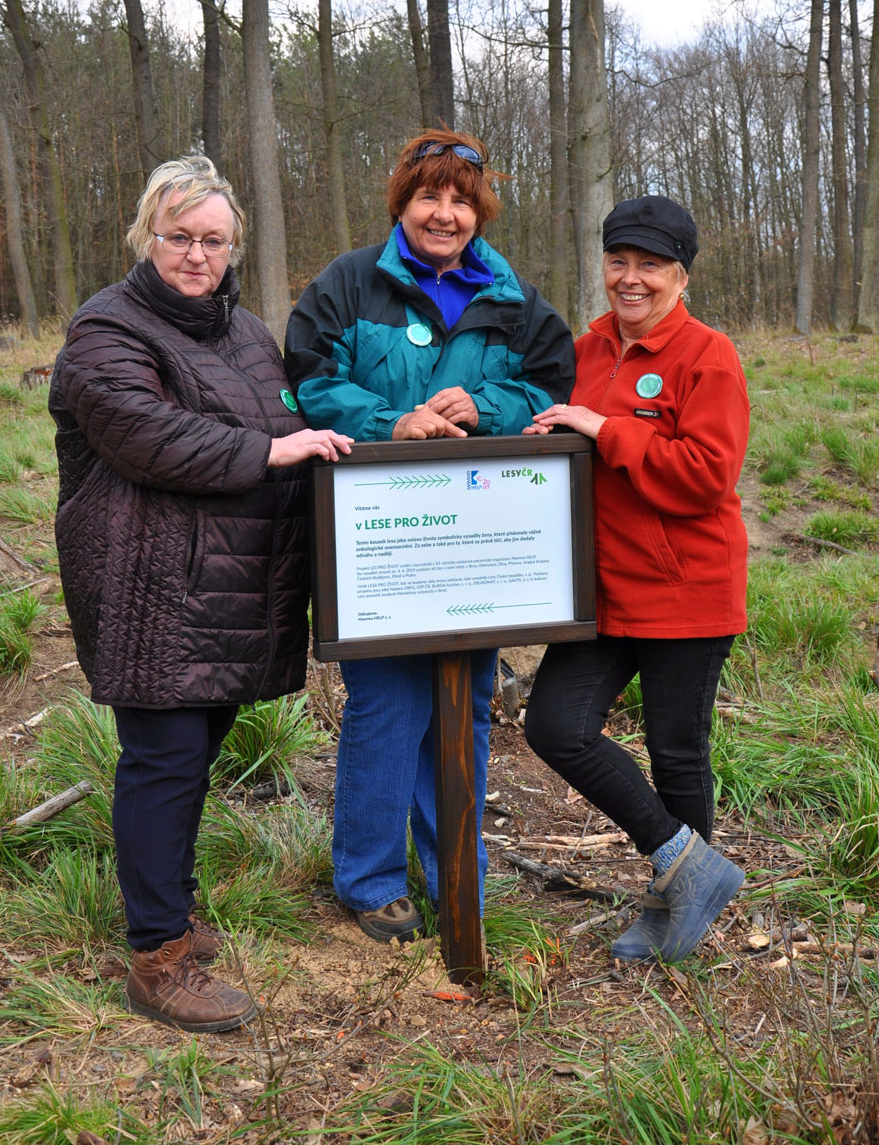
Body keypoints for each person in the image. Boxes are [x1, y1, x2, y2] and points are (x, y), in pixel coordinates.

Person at [50, 156, 351, 1031]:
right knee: (163, 759)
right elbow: (145, 434)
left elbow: (292, 421)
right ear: (148, 238)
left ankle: (171, 911)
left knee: (194, 755)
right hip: (149, 586)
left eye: (212, 240)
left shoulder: (248, 333)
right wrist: (273, 454)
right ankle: (155, 959)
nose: (195, 254)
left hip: (229, 587)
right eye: (179, 236)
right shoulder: (104, 330)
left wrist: (354, 450)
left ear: (232, 247)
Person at [284, 129, 574, 943]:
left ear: (478, 212)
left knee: (466, 699)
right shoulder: (347, 284)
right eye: (428, 198)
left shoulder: (519, 302)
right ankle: (369, 879)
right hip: (382, 538)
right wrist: (389, 422)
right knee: (386, 703)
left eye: (460, 201)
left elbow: (553, 388)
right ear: (402, 205)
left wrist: (493, 409)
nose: (444, 214)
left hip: (478, 543)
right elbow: (307, 382)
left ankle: (457, 874)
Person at [523, 195, 748, 962]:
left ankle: (676, 907)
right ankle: (692, 868)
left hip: (686, 587)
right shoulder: (582, 352)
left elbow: (706, 477)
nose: (631, 279)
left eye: (650, 265)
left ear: (680, 277)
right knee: (555, 726)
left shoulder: (706, 355)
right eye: (619, 261)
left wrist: (604, 429)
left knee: (677, 752)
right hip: (600, 590)